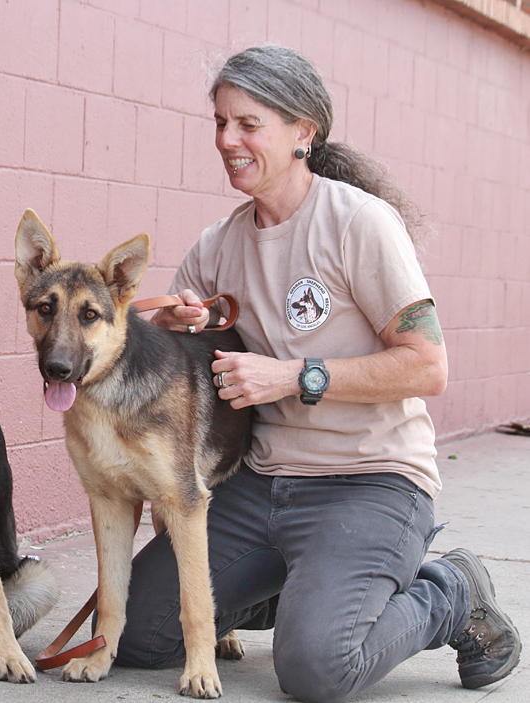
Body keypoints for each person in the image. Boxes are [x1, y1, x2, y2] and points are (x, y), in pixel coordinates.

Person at [118, 45, 521, 702]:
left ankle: (449, 592)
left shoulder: (359, 223)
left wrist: (293, 377)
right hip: (260, 484)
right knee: (137, 633)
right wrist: (167, 328)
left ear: (303, 132)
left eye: (248, 124)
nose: (227, 140)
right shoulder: (217, 244)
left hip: (371, 480)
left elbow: (428, 365)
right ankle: (318, 591)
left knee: (317, 668)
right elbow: (167, 372)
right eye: (220, 122)